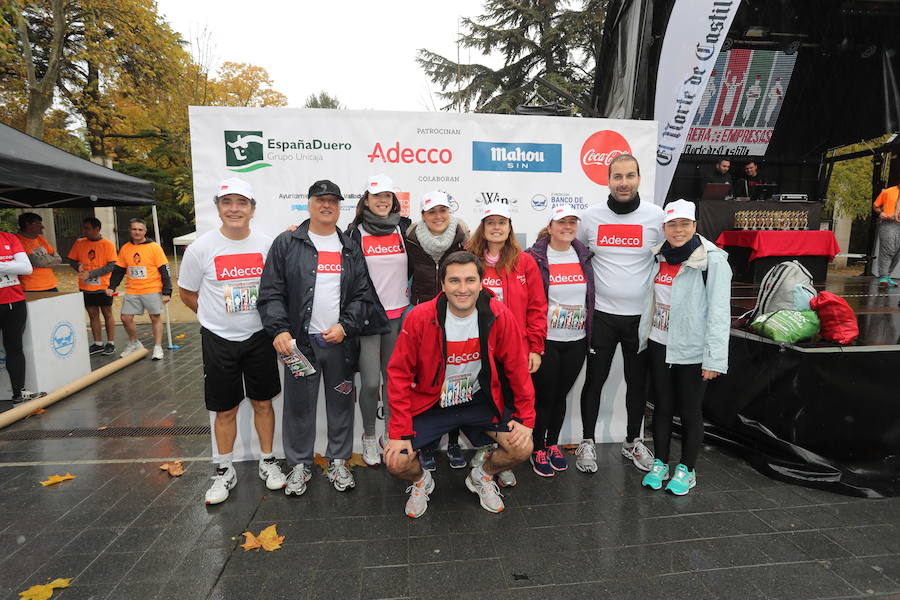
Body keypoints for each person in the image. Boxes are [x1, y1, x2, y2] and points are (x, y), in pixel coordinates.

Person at [384, 251, 535, 518]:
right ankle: (421, 481)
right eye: (454, 281)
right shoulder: (419, 317)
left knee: (523, 447)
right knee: (396, 461)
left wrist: (526, 417)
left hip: (478, 401)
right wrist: (399, 431)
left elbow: (517, 368)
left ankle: (482, 475)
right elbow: (398, 374)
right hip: (434, 402)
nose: (462, 289)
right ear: (442, 284)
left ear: (481, 282)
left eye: (469, 280)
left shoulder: (499, 314)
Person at [258, 179, 372, 496]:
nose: (326, 206)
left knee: (340, 404)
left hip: (339, 343)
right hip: (300, 345)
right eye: (320, 200)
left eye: (333, 201)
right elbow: (270, 292)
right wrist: (280, 329)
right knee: (298, 407)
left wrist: (346, 326)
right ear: (309, 204)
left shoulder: (350, 246)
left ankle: (338, 461)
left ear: (339, 207)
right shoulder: (288, 243)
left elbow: (362, 295)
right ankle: (299, 464)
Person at [178, 178, 285, 504]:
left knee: (263, 402)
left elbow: (277, 290)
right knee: (224, 410)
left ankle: (268, 461)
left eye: (241, 203)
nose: (234, 209)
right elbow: (186, 292)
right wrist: (212, 317)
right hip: (219, 340)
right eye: (228, 203)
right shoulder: (200, 248)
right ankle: (224, 469)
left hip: (259, 337)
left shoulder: (267, 245)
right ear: (219, 208)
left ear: (252, 209)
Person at [576, 153, 663, 475]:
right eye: (617, 177)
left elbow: (675, 252)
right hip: (602, 317)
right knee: (594, 381)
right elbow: (575, 253)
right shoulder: (590, 217)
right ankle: (587, 440)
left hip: (639, 319)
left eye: (630, 176)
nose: (623, 183)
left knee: (637, 384)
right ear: (608, 180)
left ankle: (632, 442)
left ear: (639, 178)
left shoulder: (656, 217)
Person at [638, 199, 731, 495]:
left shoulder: (712, 260)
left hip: (692, 350)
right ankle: (661, 463)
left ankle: (687, 469)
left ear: (694, 226)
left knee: (690, 411)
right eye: (672, 225)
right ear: (664, 228)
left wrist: (714, 359)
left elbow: (719, 312)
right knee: (662, 408)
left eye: (684, 225)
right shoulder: (660, 256)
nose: (677, 231)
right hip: (659, 345)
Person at [463, 201, 547, 487]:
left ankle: (502, 458)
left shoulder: (525, 262)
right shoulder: (469, 258)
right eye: (491, 222)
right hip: (477, 347)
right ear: (483, 228)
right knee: (484, 400)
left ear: (510, 228)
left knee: (510, 402)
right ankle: (485, 451)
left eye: (502, 222)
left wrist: (535, 347)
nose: (496, 227)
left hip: (515, 347)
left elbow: (537, 306)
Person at [344, 174, 411, 465]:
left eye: (387, 196)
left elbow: (436, 241)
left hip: (400, 318)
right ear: (366, 201)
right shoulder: (354, 232)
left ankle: (391, 435)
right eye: (376, 196)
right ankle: (369, 437)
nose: (382, 201)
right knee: (371, 383)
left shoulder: (404, 229)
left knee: (394, 383)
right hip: (370, 319)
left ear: (393, 201)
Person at [525, 205, 593, 477]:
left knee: (561, 395)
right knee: (544, 395)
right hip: (548, 340)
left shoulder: (583, 255)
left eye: (571, 223)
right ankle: (536, 447)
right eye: (561, 222)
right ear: (550, 226)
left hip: (576, 340)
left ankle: (552, 443)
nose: (567, 227)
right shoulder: (536, 257)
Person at [404, 190, 469, 468]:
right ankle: (428, 443)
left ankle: (453, 442)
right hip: (422, 317)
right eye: (432, 212)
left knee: (454, 380)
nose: (438, 216)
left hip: (456, 316)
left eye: (442, 210)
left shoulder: (463, 236)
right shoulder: (410, 239)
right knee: (426, 381)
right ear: (423, 216)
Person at [106, 218, 171, 360]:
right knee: (125, 317)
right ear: (130, 231)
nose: (137, 232)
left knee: (155, 317)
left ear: (145, 231)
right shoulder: (125, 248)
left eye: (140, 229)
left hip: (152, 288)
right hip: (132, 290)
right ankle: (134, 343)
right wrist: (112, 286)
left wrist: (167, 291)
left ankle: (158, 347)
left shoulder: (154, 247)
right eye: (134, 229)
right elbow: (118, 270)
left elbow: (165, 270)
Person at [67, 217, 118, 355]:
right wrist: (78, 266)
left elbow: (111, 266)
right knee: (92, 314)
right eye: (84, 228)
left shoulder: (107, 244)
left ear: (97, 229)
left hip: (103, 286)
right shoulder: (79, 243)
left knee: (107, 313)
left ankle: (111, 343)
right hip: (86, 287)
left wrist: (91, 274)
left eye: (88, 228)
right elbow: (71, 260)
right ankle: (98, 343)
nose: (85, 231)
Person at [0, 231, 39, 405]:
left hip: (15, 301)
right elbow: (19, 265)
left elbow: (26, 268)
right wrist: (10, 263)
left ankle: (19, 393)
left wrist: (1, 265)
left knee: (15, 347)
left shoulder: (9, 238)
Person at [15, 212, 61, 292]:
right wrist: (49, 258)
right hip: (31, 287)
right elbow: (36, 261)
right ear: (28, 224)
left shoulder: (40, 238)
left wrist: (42, 259)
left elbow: (58, 259)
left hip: (51, 285)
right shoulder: (16, 240)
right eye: (38, 223)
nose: (42, 226)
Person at [873, 184, 900, 286]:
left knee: (897, 253)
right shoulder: (888, 191)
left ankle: (887, 275)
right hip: (889, 223)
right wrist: (880, 213)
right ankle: (883, 276)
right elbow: (876, 206)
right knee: (888, 250)